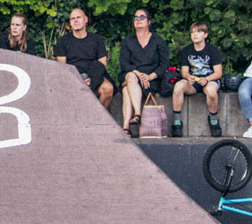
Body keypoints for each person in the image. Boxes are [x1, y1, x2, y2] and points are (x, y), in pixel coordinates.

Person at [118, 9, 169, 139]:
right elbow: (124, 63)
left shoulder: (158, 41)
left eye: (142, 17)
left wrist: (149, 76)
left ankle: (126, 127)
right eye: (135, 17)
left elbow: (164, 65)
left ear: (149, 22)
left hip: (151, 79)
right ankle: (138, 113)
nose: (138, 20)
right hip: (133, 74)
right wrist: (138, 74)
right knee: (130, 76)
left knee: (126, 89)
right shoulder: (128, 40)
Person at [54, 8, 114, 110]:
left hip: (94, 76)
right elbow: (63, 68)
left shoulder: (97, 40)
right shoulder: (62, 41)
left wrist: (93, 80)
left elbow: (103, 64)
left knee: (108, 88)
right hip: (73, 78)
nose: (75, 21)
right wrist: (79, 81)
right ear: (70, 23)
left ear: (85, 19)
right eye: (72, 19)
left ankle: (97, 117)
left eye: (78, 17)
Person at [171, 22, 223, 138]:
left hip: (209, 80)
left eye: (198, 32)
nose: (195, 35)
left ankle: (214, 120)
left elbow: (218, 73)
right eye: (192, 32)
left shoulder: (212, 50)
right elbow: (184, 72)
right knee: (178, 86)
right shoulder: (187, 50)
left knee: (211, 91)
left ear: (205, 35)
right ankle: (177, 122)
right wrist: (189, 77)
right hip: (193, 82)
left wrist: (206, 79)